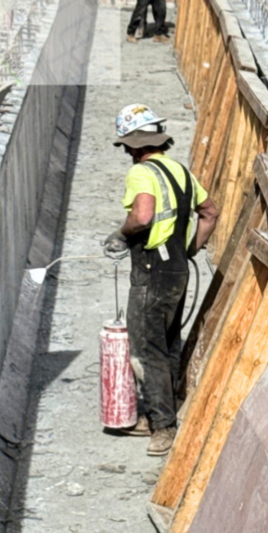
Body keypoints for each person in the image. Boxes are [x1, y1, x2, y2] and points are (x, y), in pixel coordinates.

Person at [103, 104, 219, 456]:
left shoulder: (140, 173)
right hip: (177, 269)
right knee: (168, 343)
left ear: (134, 146)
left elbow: (142, 215)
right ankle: (164, 413)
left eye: (127, 147)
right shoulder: (180, 171)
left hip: (152, 270)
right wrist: (189, 249)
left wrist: (121, 235)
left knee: (145, 350)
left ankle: (162, 426)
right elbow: (210, 213)